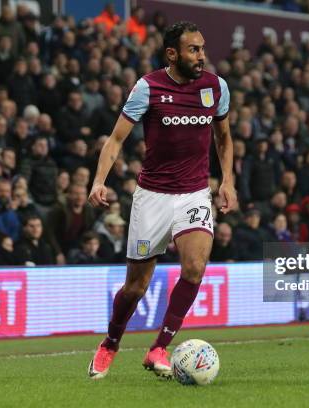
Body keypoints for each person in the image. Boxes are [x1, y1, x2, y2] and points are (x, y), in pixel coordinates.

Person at [87, 21, 236, 380]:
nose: (201, 56)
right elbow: (116, 139)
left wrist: (227, 181)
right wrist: (99, 181)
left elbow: (225, 138)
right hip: (152, 196)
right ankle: (110, 343)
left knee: (195, 268)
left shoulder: (216, 87)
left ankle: (159, 348)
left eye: (202, 48)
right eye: (193, 50)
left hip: (194, 193)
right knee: (135, 287)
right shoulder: (148, 87)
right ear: (173, 54)